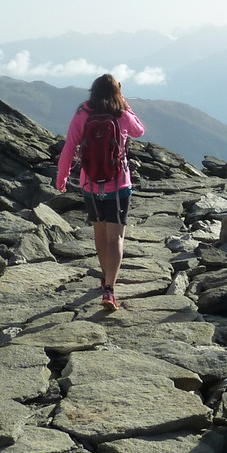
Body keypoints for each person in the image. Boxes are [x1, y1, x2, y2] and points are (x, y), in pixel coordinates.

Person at [56, 73, 145, 310]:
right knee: (116, 237)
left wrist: (62, 177)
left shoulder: (82, 114)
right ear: (117, 92)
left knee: (100, 233)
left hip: (90, 185)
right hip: (119, 186)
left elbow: (68, 148)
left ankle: (106, 280)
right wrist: (125, 102)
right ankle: (109, 290)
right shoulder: (121, 113)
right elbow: (139, 131)